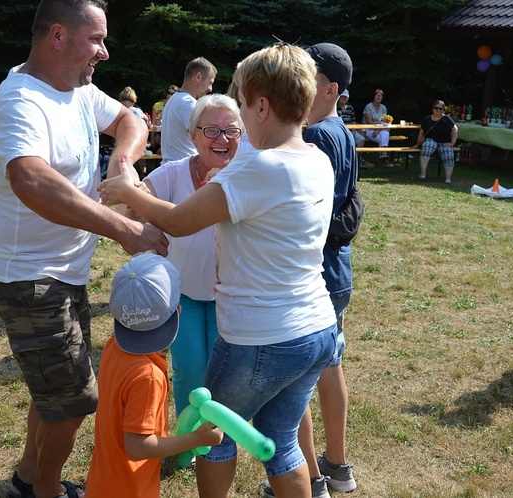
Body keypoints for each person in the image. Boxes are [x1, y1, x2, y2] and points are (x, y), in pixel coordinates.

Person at [99, 42, 339, 498]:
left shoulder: (256, 172)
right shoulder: (314, 159)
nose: (241, 118)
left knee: (213, 436)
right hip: (316, 330)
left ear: (262, 106)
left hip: (260, 336)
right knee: (282, 442)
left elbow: (174, 220)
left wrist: (128, 189)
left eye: (243, 104)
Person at [0, 2, 169, 498]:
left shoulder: (79, 89)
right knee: (75, 397)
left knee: (56, 389)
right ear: (58, 35)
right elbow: (31, 179)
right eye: (96, 40)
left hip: (63, 272)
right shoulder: (19, 100)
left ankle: (27, 477)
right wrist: (124, 230)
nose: (104, 53)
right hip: (29, 277)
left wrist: (121, 166)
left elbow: (131, 121)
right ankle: (46, 492)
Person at [261, 42, 359, 498]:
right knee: (328, 365)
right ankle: (336, 466)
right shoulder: (340, 131)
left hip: (312, 274)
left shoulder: (317, 136)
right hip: (335, 273)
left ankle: (311, 479)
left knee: (296, 380)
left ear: (331, 88)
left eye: (310, 76)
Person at [85, 252, 223, 498]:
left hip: (103, 481)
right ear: (178, 311)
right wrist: (196, 439)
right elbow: (137, 447)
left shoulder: (113, 345)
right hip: (131, 489)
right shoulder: (148, 376)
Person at [142, 94, 242, 417]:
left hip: (230, 298)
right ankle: (189, 439)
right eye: (211, 130)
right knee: (190, 368)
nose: (222, 139)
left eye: (231, 131)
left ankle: (218, 439)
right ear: (193, 135)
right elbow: (133, 202)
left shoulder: (249, 178)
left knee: (222, 372)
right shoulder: (172, 174)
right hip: (182, 295)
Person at [160, 57, 217, 165]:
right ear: (198, 77)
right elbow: (204, 138)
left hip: (172, 167)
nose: (210, 89)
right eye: (210, 82)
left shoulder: (174, 99)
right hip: (184, 169)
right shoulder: (188, 103)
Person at [416, 100, 458, 184]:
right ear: (433, 109)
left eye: (440, 108)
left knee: (448, 153)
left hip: (444, 141)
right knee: (427, 147)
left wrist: (452, 142)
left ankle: (448, 178)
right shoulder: (427, 119)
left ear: (443, 110)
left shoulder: (446, 119)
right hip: (431, 140)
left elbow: (455, 129)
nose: (438, 110)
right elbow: (422, 132)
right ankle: (423, 173)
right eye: (436, 108)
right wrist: (418, 144)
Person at [337, 89, 373, 170]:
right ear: (339, 97)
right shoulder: (335, 107)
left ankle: (354, 158)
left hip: (350, 130)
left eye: (345, 97)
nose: (344, 98)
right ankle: (358, 161)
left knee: (361, 139)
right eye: (342, 97)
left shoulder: (350, 107)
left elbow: (353, 121)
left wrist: (353, 130)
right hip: (340, 131)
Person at [362, 88, 392, 167]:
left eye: (380, 96)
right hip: (369, 128)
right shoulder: (368, 106)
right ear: (374, 96)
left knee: (385, 133)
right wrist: (376, 129)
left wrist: (378, 130)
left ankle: (383, 155)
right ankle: (384, 157)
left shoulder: (383, 108)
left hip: (380, 129)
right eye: (377, 95)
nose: (378, 97)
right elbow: (369, 122)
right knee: (384, 139)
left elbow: (385, 121)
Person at [150, 85, 178, 150]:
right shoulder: (158, 105)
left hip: (170, 132)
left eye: (172, 94)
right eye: (168, 93)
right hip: (158, 130)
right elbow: (153, 123)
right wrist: (152, 139)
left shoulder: (176, 106)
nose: (169, 95)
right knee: (158, 140)